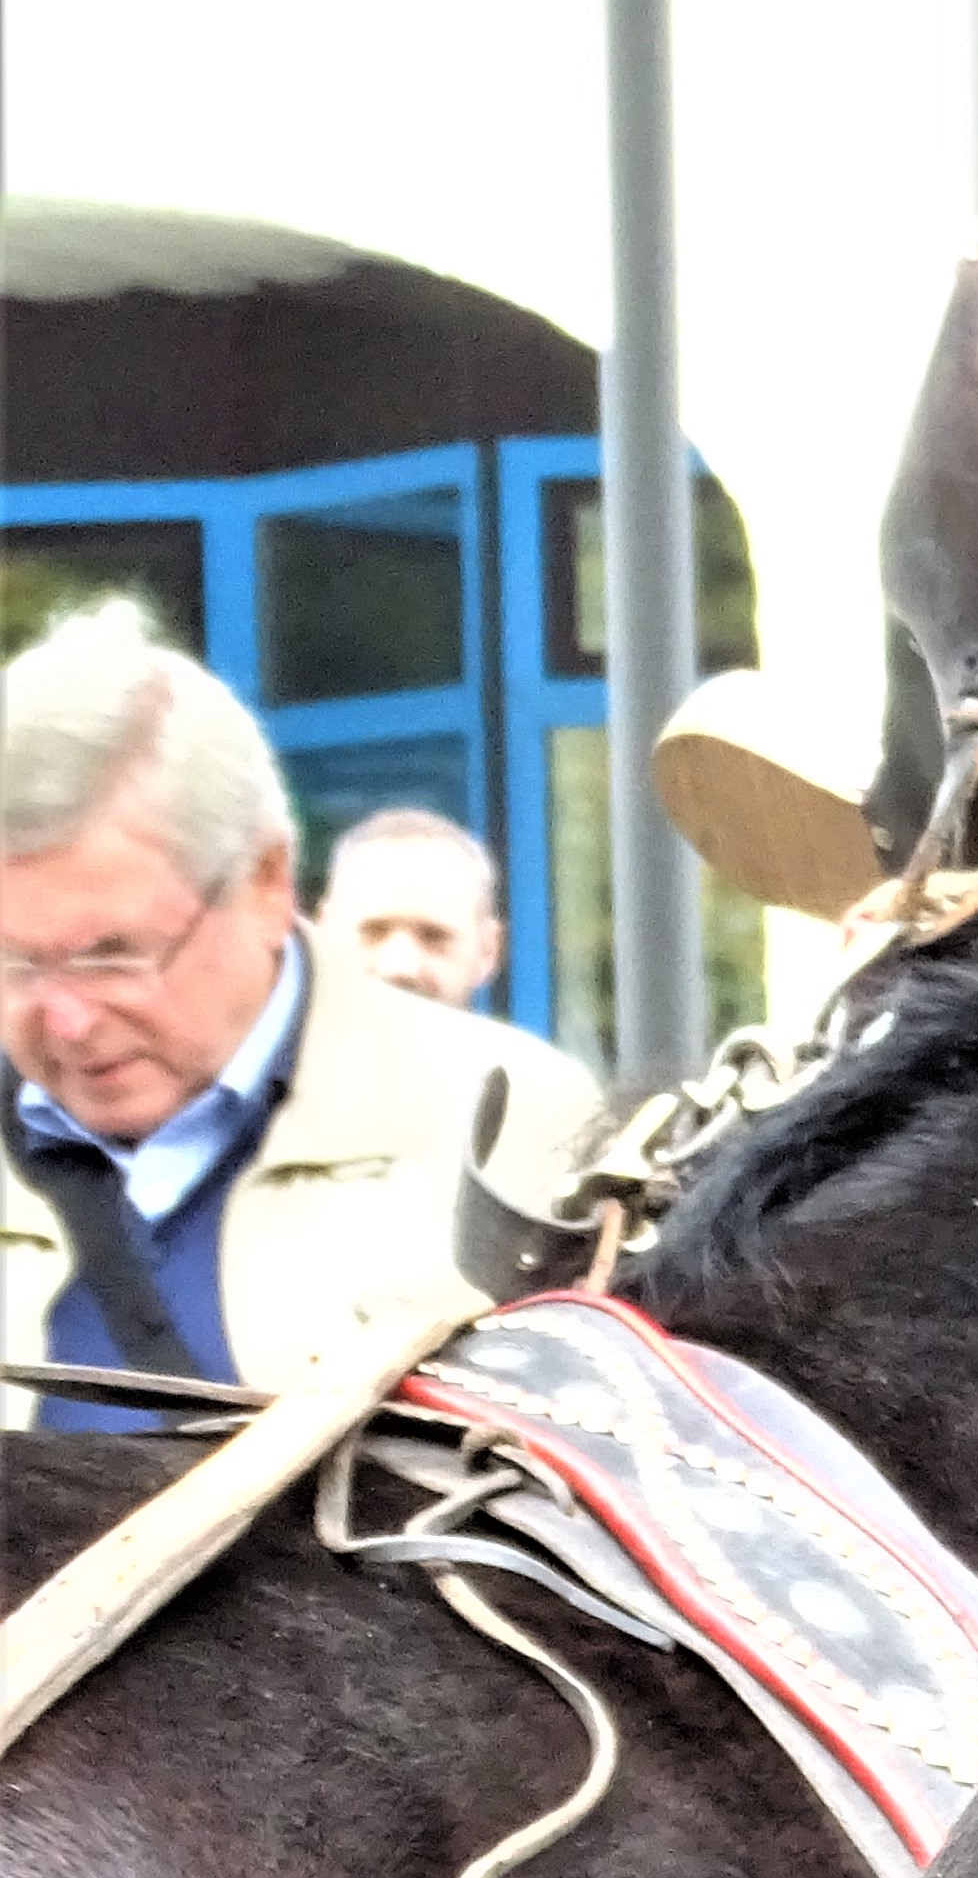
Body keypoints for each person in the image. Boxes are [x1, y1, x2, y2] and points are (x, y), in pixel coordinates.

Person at [2, 602, 602, 1432]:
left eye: (113, 954)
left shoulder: (511, 1124)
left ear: (267, 884)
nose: (64, 1019)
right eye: (16, 963)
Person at [323, 803, 528, 1017]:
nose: (400, 966)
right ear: (321, 935)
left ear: (487, 951)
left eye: (433, 936)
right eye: (374, 932)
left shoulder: (525, 1052)